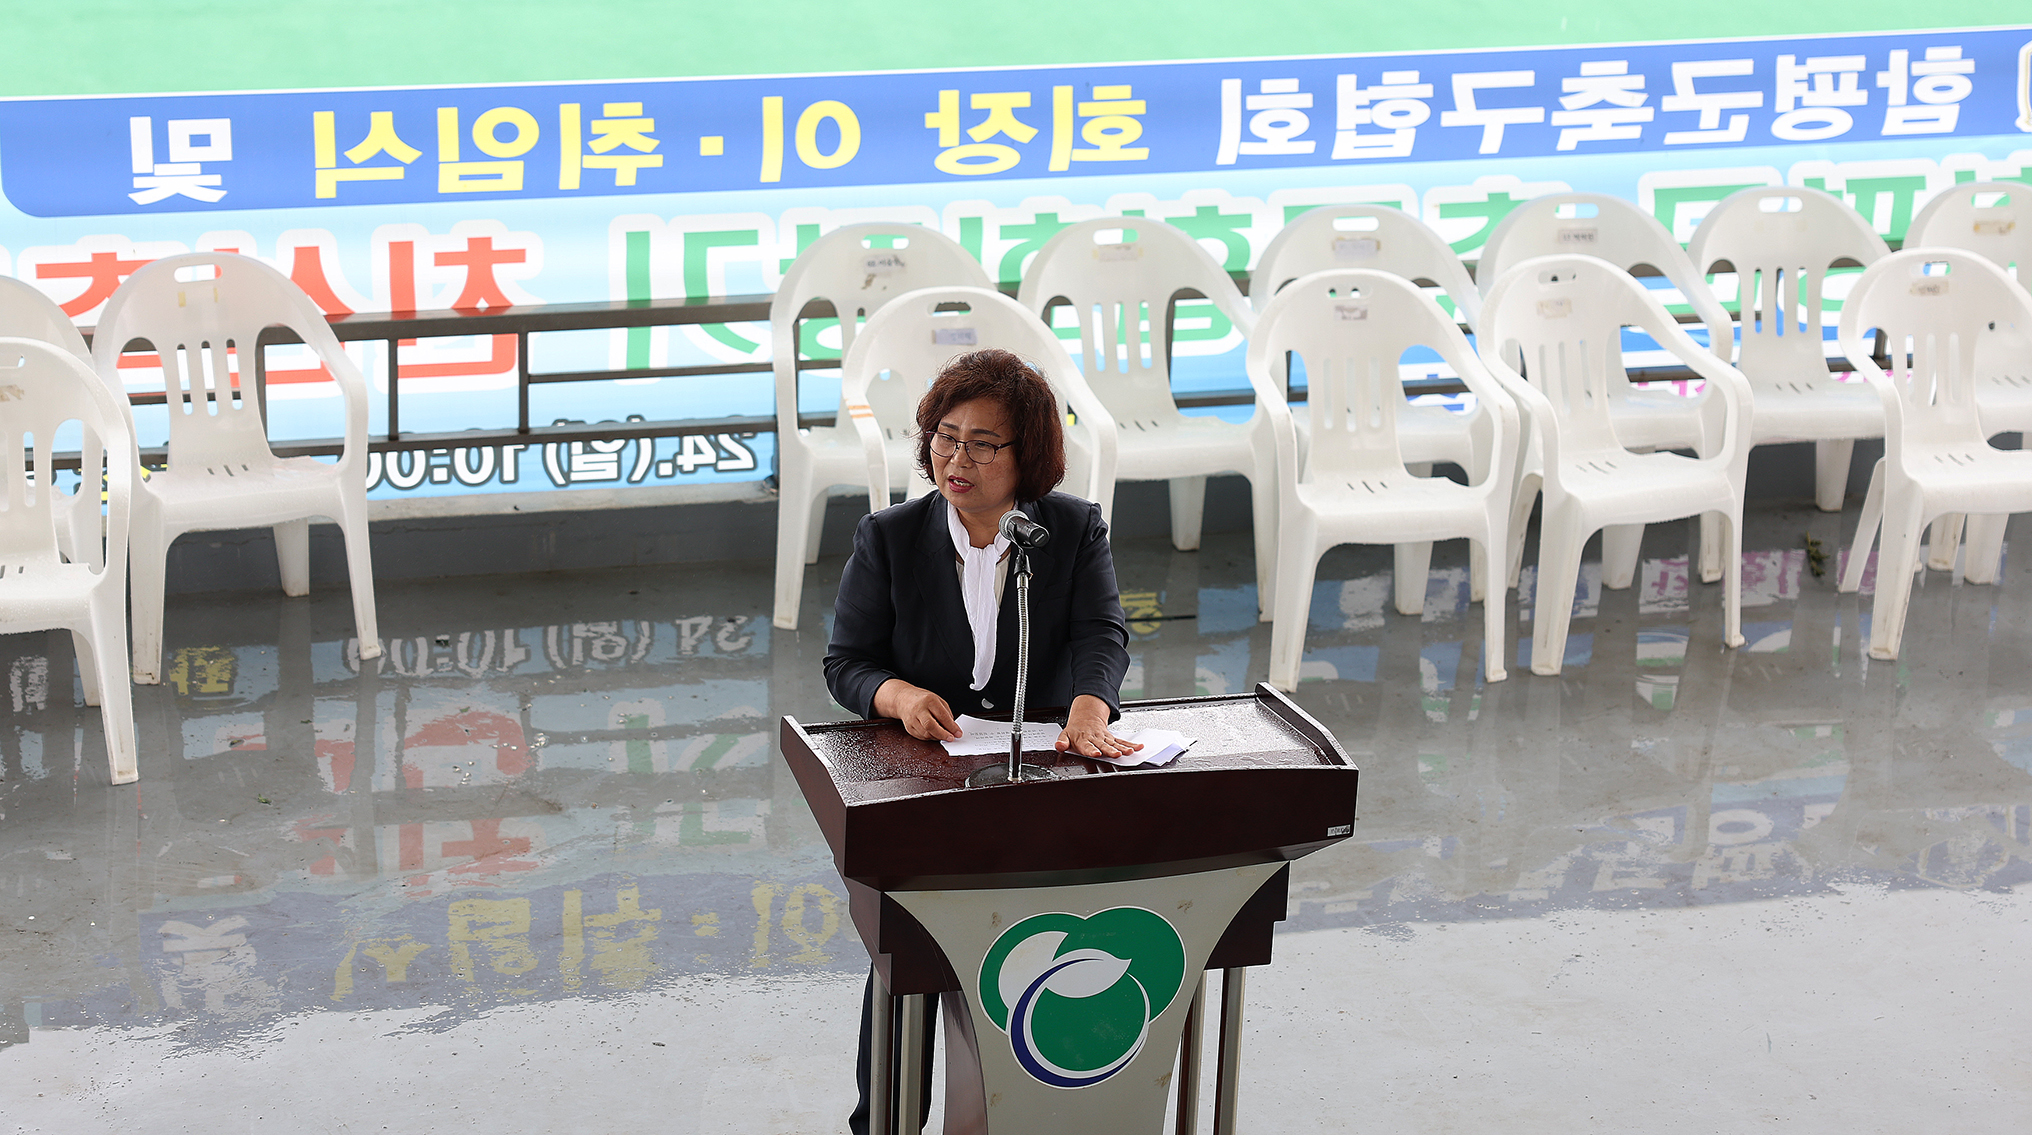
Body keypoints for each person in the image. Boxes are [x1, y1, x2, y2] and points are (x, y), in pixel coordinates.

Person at [824, 347, 1138, 1133]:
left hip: (1043, 780)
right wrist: (896, 696)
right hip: (928, 784)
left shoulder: (1070, 529)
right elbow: (847, 662)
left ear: (1027, 455)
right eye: (943, 436)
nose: (956, 458)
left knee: (1029, 952)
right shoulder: (889, 537)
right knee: (912, 953)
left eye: (982, 443)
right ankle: (885, 1120)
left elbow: (1103, 632)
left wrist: (1091, 707)